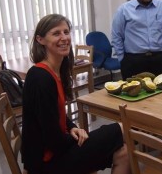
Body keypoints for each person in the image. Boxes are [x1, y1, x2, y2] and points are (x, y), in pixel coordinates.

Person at [22, 14, 131, 174]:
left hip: (55, 152)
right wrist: (78, 137)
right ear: (40, 40)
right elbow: (54, 141)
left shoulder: (55, 72)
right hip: (46, 163)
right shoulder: (40, 78)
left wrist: (72, 127)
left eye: (66, 32)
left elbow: (55, 114)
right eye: (56, 33)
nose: (64, 37)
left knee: (124, 153)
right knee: (120, 129)